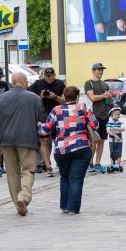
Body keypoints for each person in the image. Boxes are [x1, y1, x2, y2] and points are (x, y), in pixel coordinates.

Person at [0, 72, 45, 217]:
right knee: (28, 170)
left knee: (12, 174)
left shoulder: (1, 98)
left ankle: (18, 205)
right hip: (28, 140)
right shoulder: (35, 98)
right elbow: (42, 119)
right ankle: (24, 196)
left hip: (7, 141)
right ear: (25, 81)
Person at [39, 86, 98, 215]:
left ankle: (65, 206)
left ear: (64, 97)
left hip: (61, 150)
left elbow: (44, 130)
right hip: (81, 147)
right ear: (77, 97)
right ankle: (73, 208)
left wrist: (39, 125)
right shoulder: (83, 108)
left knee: (64, 177)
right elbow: (95, 125)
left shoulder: (56, 110)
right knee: (76, 179)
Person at [28, 67, 66, 177]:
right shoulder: (38, 83)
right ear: (44, 75)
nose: (49, 80)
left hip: (57, 116)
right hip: (42, 116)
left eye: (51, 78)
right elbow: (28, 95)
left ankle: (60, 163)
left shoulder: (60, 84)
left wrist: (55, 97)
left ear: (55, 75)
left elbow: (64, 100)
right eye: (47, 78)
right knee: (44, 141)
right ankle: (48, 166)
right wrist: (39, 96)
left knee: (58, 141)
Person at [83, 62, 112, 172]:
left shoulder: (105, 84)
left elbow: (109, 101)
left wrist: (110, 97)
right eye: (98, 70)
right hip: (94, 116)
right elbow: (92, 98)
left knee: (102, 140)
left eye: (101, 70)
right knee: (94, 140)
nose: (100, 72)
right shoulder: (89, 83)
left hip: (105, 115)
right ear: (93, 71)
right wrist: (103, 95)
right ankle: (90, 163)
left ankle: (98, 163)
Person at [106, 107, 124, 171]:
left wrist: (116, 128)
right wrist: (114, 135)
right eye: (115, 114)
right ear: (112, 115)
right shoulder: (110, 122)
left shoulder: (120, 122)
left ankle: (118, 165)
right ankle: (112, 165)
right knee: (112, 153)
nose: (117, 115)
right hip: (112, 140)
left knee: (119, 153)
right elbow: (108, 130)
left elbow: (123, 129)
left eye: (118, 114)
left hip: (119, 140)